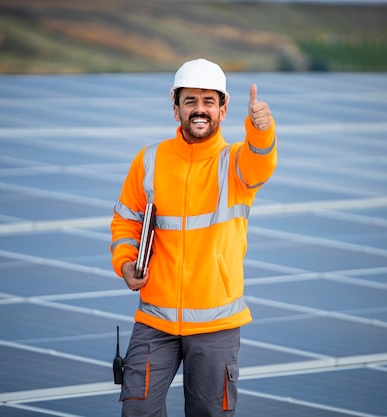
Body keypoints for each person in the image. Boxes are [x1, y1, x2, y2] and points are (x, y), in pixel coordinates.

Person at [110, 58, 277, 417]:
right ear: (176, 109)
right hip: (155, 319)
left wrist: (261, 129)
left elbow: (261, 161)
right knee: (137, 411)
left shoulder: (234, 163)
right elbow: (126, 221)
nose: (199, 110)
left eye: (208, 101)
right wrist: (125, 263)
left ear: (223, 109)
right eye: (190, 101)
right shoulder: (150, 160)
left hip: (216, 324)